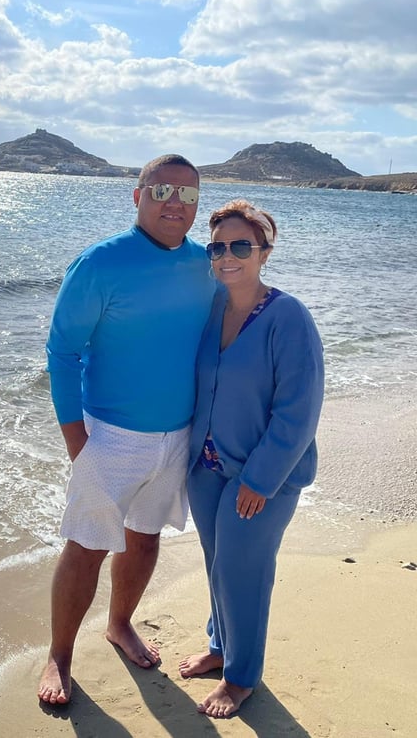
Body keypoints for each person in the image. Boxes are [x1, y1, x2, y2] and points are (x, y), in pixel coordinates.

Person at [39, 155, 216, 705]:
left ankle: (120, 624)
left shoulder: (205, 265)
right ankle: (59, 655)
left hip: (177, 434)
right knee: (87, 546)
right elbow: (62, 352)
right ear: (136, 196)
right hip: (110, 435)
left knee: (144, 539)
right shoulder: (100, 263)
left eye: (188, 195)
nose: (174, 203)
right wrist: (77, 441)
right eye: (162, 190)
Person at [178, 199, 324, 718]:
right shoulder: (211, 307)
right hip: (207, 468)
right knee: (218, 566)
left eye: (241, 246)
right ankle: (221, 648)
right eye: (217, 247)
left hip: (263, 476)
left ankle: (241, 678)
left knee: (244, 570)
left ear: (263, 252)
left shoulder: (288, 316)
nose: (227, 256)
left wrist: (260, 480)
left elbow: (298, 411)